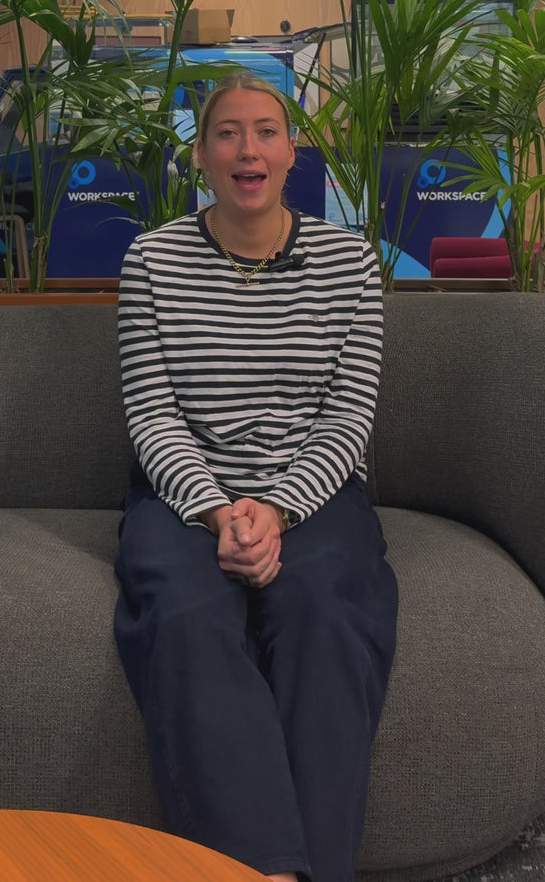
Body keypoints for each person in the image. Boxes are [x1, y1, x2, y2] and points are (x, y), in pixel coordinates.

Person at [114, 73, 398, 882]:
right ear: (202, 155)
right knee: (184, 612)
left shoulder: (349, 261)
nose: (249, 149)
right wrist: (216, 511)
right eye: (228, 133)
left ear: (291, 152)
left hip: (314, 489)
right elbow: (152, 414)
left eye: (267, 130)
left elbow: (347, 418)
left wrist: (275, 508)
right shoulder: (152, 259)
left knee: (325, 610)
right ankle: (265, 870)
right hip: (183, 490)